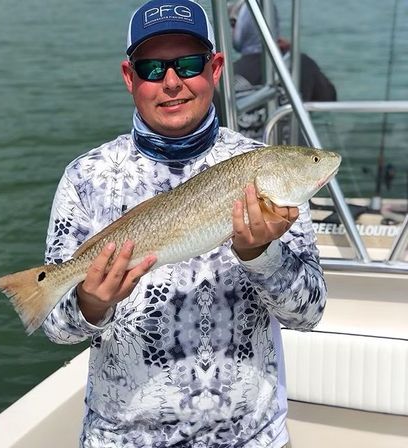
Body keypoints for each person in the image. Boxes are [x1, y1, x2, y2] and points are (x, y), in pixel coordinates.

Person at [42, 1, 326, 447]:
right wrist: (91, 303)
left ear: (215, 68)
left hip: (250, 438)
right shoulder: (85, 178)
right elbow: (57, 328)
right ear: (128, 76)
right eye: (152, 68)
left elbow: (309, 313)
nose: (171, 83)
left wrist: (262, 254)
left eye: (188, 64)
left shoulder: (267, 170)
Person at [224, 1, 337, 140]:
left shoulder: (228, 75)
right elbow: (329, 97)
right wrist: (293, 53)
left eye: (233, 25)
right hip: (296, 154)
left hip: (248, 158)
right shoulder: (301, 63)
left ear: (243, 27)